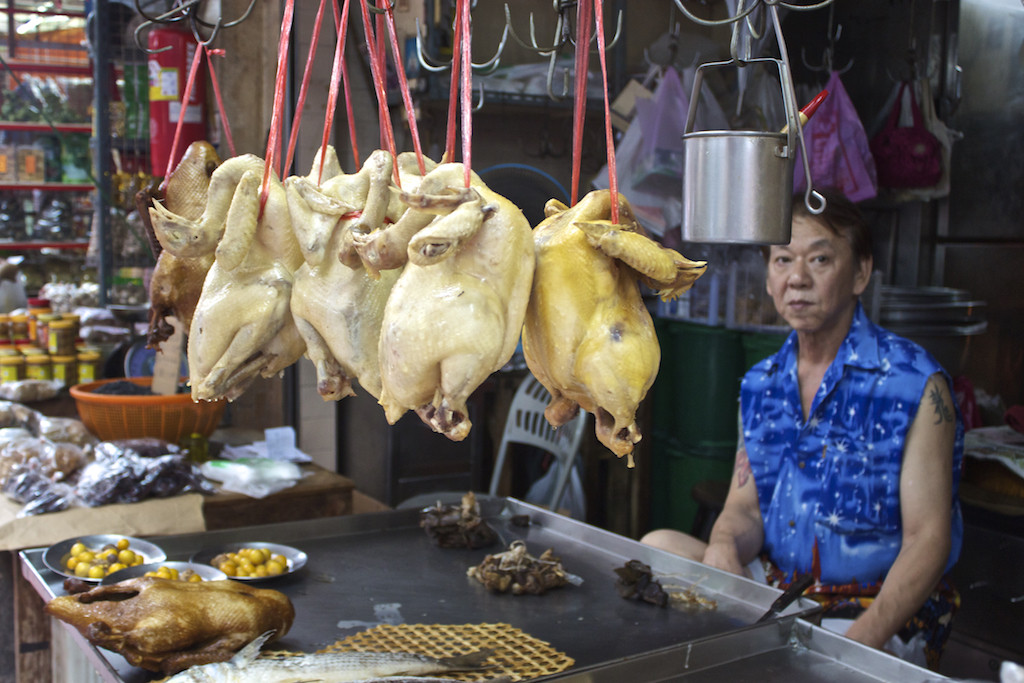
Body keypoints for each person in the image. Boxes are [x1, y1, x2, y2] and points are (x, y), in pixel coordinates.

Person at [641, 188, 963, 670]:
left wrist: (847, 650)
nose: (797, 279)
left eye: (819, 259)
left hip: (869, 610)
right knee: (655, 550)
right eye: (783, 260)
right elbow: (744, 509)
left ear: (860, 273)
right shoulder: (761, 384)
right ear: (768, 279)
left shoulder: (915, 383)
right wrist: (725, 547)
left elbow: (927, 540)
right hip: (779, 590)